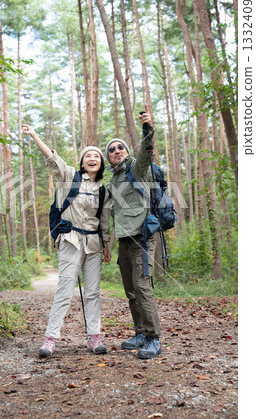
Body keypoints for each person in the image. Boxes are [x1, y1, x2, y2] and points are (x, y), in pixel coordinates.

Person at [22, 124, 111, 357]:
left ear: (101, 163)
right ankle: (51, 339)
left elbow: (104, 220)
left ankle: (94, 337)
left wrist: (107, 246)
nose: (92, 159)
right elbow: (52, 157)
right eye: (88, 156)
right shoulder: (69, 175)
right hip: (70, 239)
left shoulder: (103, 190)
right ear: (82, 162)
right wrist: (34, 135)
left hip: (93, 244)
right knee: (64, 290)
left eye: (97, 156)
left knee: (92, 293)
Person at [105, 105, 161, 359]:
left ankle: (153, 338)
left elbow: (146, 153)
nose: (116, 151)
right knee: (130, 289)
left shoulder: (135, 169)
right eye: (111, 150)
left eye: (120, 147)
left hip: (142, 236)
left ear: (127, 151)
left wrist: (147, 128)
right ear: (108, 158)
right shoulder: (113, 181)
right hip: (123, 240)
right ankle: (140, 332)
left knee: (142, 286)